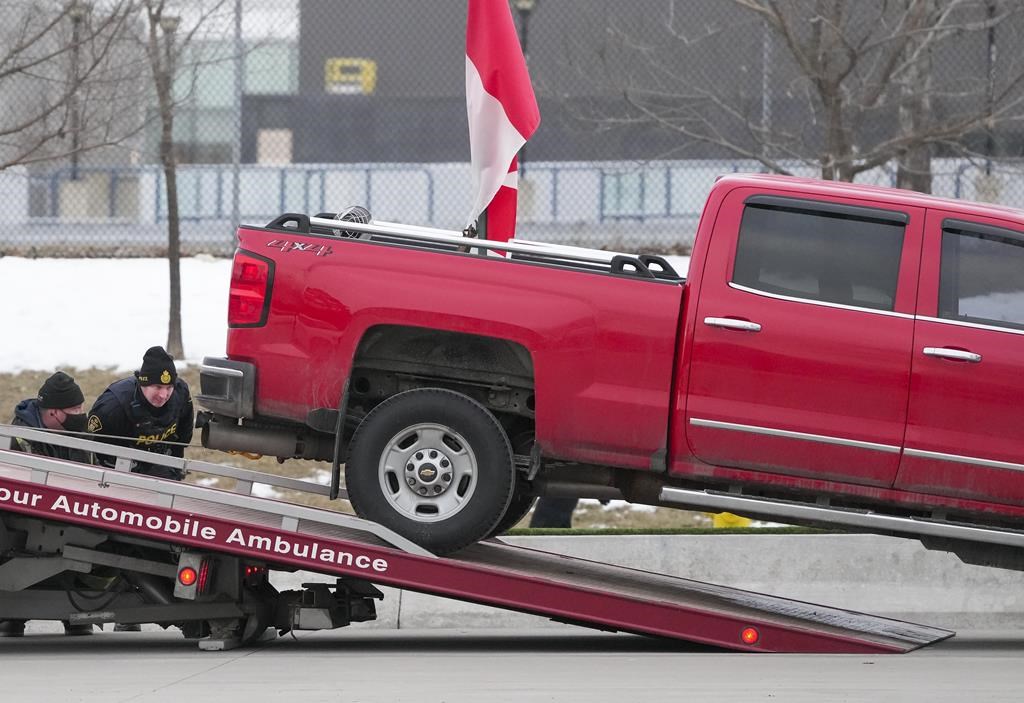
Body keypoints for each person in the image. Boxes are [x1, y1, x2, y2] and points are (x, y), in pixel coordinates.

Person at [1, 371, 93, 637]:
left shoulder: (78, 434)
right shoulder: (18, 440)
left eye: (81, 407)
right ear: (52, 412)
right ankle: (12, 612)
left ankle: (78, 608)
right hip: (26, 522)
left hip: (73, 514)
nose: (80, 414)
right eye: (74, 409)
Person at [87, 346, 194, 482]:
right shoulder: (112, 406)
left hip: (162, 466)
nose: (163, 395)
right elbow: (92, 451)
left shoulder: (180, 394)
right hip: (115, 473)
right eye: (157, 387)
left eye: (169, 387)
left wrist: (175, 471)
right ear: (143, 383)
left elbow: (183, 438)